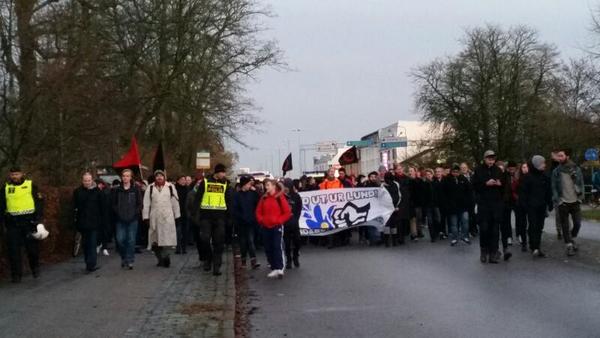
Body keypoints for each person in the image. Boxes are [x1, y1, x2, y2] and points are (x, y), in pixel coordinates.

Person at [0, 167, 44, 283]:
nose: (15, 176)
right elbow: (1, 205)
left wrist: (38, 219)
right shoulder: (5, 188)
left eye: (17, 174)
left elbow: (39, 202)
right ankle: (16, 275)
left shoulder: (31, 185)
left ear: (22, 174)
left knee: (32, 249)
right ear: (10, 175)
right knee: (13, 251)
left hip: (29, 222)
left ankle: (35, 268)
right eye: (13, 174)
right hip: (13, 223)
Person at [189, 163, 233, 276]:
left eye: (224, 172)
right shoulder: (205, 182)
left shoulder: (226, 184)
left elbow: (228, 201)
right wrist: (194, 213)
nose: (224, 174)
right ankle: (208, 259)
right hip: (206, 217)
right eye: (222, 172)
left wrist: (229, 217)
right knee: (205, 239)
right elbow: (198, 198)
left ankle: (216, 266)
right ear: (217, 172)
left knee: (219, 242)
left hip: (220, 217)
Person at [472, 150, 506, 264]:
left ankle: (493, 253)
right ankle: (483, 251)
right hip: (484, 204)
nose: (491, 160)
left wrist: (500, 184)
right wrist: (485, 184)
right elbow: (474, 186)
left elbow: (504, 187)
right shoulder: (478, 170)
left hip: (496, 204)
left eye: (493, 158)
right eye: (489, 158)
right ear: (484, 159)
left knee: (495, 230)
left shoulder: (498, 170)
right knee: (484, 229)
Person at [142, 170, 180, 268]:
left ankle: (166, 257)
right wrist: (145, 217)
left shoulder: (170, 187)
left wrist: (177, 216)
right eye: (157, 176)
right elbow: (146, 204)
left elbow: (175, 203)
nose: (159, 177)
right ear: (155, 177)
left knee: (166, 239)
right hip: (154, 216)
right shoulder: (150, 188)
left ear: (164, 177)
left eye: (161, 176)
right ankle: (160, 259)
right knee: (155, 240)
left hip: (167, 217)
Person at [255, 179, 292, 279]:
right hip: (265, 226)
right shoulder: (263, 198)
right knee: (268, 247)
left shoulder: (280, 197)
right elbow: (258, 211)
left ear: (274, 186)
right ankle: (273, 267)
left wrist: (279, 221)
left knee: (277, 246)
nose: (266, 187)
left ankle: (279, 268)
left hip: (276, 226)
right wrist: (261, 220)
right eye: (265, 185)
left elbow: (287, 212)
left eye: (268, 185)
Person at [551, 149, 584, 257]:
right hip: (563, 202)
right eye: (558, 156)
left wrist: (580, 197)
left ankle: (572, 238)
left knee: (577, 224)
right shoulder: (556, 171)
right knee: (565, 226)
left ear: (567, 156)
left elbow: (581, 183)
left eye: (561, 156)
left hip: (575, 201)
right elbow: (554, 187)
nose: (559, 158)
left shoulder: (576, 169)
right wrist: (558, 200)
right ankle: (569, 245)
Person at [520, 156, 553, 258]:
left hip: (541, 206)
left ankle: (537, 247)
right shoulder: (528, 177)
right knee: (533, 226)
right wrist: (524, 205)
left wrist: (550, 203)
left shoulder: (545, 177)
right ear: (537, 165)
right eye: (543, 163)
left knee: (540, 227)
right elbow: (523, 193)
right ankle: (533, 246)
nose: (545, 165)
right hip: (531, 206)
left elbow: (548, 192)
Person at [73, 172, 106, 272]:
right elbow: (75, 206)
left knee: (92, 243)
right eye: (85, 180)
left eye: (89, 180)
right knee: (86, 244)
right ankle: (88, 261)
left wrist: (102, 220)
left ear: (92, 180)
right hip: (82, 223)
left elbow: (102, 207)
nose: (87, 182)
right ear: (82, 181)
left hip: (94, 222)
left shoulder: (98, 192)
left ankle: (91, 264)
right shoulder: (77, 192)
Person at [112, 169, 142, 269]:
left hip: (132, 219)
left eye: (127, 176)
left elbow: (139, 204)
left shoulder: (135, 189)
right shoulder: (117, 190)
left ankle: (129, 260)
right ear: (121, 177)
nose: (125, 177)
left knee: (131, 240)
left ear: (131, 177)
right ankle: (124, 257)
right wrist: (118, 213)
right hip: (120, 219)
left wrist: (135, 213)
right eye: (124, 176)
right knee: (120, 240)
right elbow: (114, 204)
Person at [233, 175, 261, 269]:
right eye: (249, 183)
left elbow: (259, 202)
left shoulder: (252, 194)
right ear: (244, 184)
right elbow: (235, 210)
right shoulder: (237, 195)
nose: (250, 185)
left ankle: (253, 260)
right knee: (243, 242)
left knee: (250, 240)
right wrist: (241, 218)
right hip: (241, 223)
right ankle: (244, 260)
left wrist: (255, 191)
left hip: (251, 222)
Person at [443, 164, 472, 246]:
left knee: (465, 222)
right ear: (451, 171)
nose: (455, 173)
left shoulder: (463, 179)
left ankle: (465, 236)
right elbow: (443, 193)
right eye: (454, 171)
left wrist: (468, 202)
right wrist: (447, 204)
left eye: (457, 171)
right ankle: (455, 238)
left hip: (463, 206)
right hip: (452, 207)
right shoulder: (447, 180)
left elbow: (469, 190)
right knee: (454, 224)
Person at [282, 178, 302, 269]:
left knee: (297, 241)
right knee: (287, 243)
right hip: (285, 224)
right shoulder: (281, 197)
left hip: (294, 223)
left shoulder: (296, 196)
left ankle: (295, 257)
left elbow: (299, 209)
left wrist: (295, 219)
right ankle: (288, 260)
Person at [501, 161, 517, 249]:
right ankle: (509, 236)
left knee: (519, 219)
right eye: (510, 169)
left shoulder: (517, 176)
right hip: (507, 201)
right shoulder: (505, 176)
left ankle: (519, 235)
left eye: (513, 169)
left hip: (515, 200)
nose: (512, 170)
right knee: (506, 220)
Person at [394, 163, 412, 244]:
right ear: (395, 170)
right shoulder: (393, 179)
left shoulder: (407, 178)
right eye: (398, 169)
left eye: (400, 168)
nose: (399, 170)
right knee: (399, 220)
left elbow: (410, 189)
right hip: (398, 202)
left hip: (406, 201)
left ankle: (404, 234)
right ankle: (400, 237)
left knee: (405, 220)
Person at [383, 172, 402, 247]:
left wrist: (397, 206)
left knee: (388, 224)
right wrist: (397, 206)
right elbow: (399, 196)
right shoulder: (385, 185)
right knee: (392, 224)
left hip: (389, 208)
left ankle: (389, 241)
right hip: (391, 208)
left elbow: (399, 195)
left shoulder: (394, 184)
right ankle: (392, 241)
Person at [515, 163, 530, 251]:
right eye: (523, 167)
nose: (525, 169)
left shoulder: (532, 178)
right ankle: (524, 243)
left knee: (532, 224)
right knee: (522, 224)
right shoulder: (519, 179)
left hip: (530, 204)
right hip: (521, 204)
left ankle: (533, 242)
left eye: (526, 167)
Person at [461, 162, 478, 237]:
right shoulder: (459, 177)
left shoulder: (472, 176)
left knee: (473, 215)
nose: (464, 169)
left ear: (467, 168)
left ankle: (473, 230)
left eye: (465, 167)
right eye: (462, 167)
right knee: (465, 217)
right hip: (464, 200)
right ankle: (467, 231)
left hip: (473, 199)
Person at [174, 175, 190, 254]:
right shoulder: (174, 189)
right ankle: (178, 248)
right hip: (177, 213)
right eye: (181, 179)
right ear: (178, 181)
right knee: (178, 231)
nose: (183, 181)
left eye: (184, 180)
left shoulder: (188, 189)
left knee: (185, 231)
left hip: (185, 213)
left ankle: (184, 248)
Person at [433, 167, 448, 240]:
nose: (437, 173)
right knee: (438, 218)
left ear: (442, 172)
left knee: (443, 218)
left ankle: (443, 232)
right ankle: (440, 231)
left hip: (444, 203)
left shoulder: (446, 181)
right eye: (436, 172)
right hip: (436, 204)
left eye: (439, 171)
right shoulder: (433, 181)